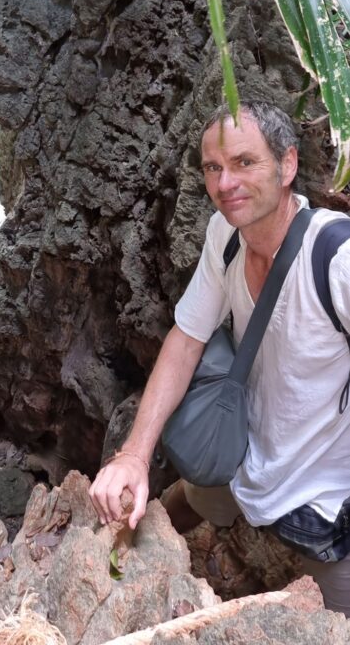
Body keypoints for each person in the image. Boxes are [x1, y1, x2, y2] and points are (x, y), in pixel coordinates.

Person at [90, 101, 350, 616]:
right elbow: (187, 338)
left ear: (288, 164)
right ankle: (133, 555)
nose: (225, 183)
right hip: (241, 455)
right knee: (189, 497)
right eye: (213, 167)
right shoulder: (225, 234)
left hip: (322, 496)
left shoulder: (336, 258)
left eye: (244, 162)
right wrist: (134, 456)